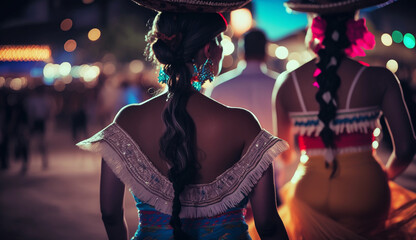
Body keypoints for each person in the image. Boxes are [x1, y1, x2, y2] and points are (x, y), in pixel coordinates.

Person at [77, 1, 289, 240]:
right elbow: (267, 224)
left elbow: (109, 213)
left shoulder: (127, 120)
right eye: (221, 40)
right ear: (209, 49)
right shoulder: (244, 123)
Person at [272, 0, 416, 239]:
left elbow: (285, 155)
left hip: (309, 194)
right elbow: (406, 148)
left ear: (313, 26)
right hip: (367, 192)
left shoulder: (287, 83)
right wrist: (385, 176)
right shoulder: (381, 78)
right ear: (355, 25)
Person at [205, 28, 277, 134]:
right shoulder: (279, 85)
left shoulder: (220, 87)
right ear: (266, 53)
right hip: (275, 150)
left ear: (241, 52)